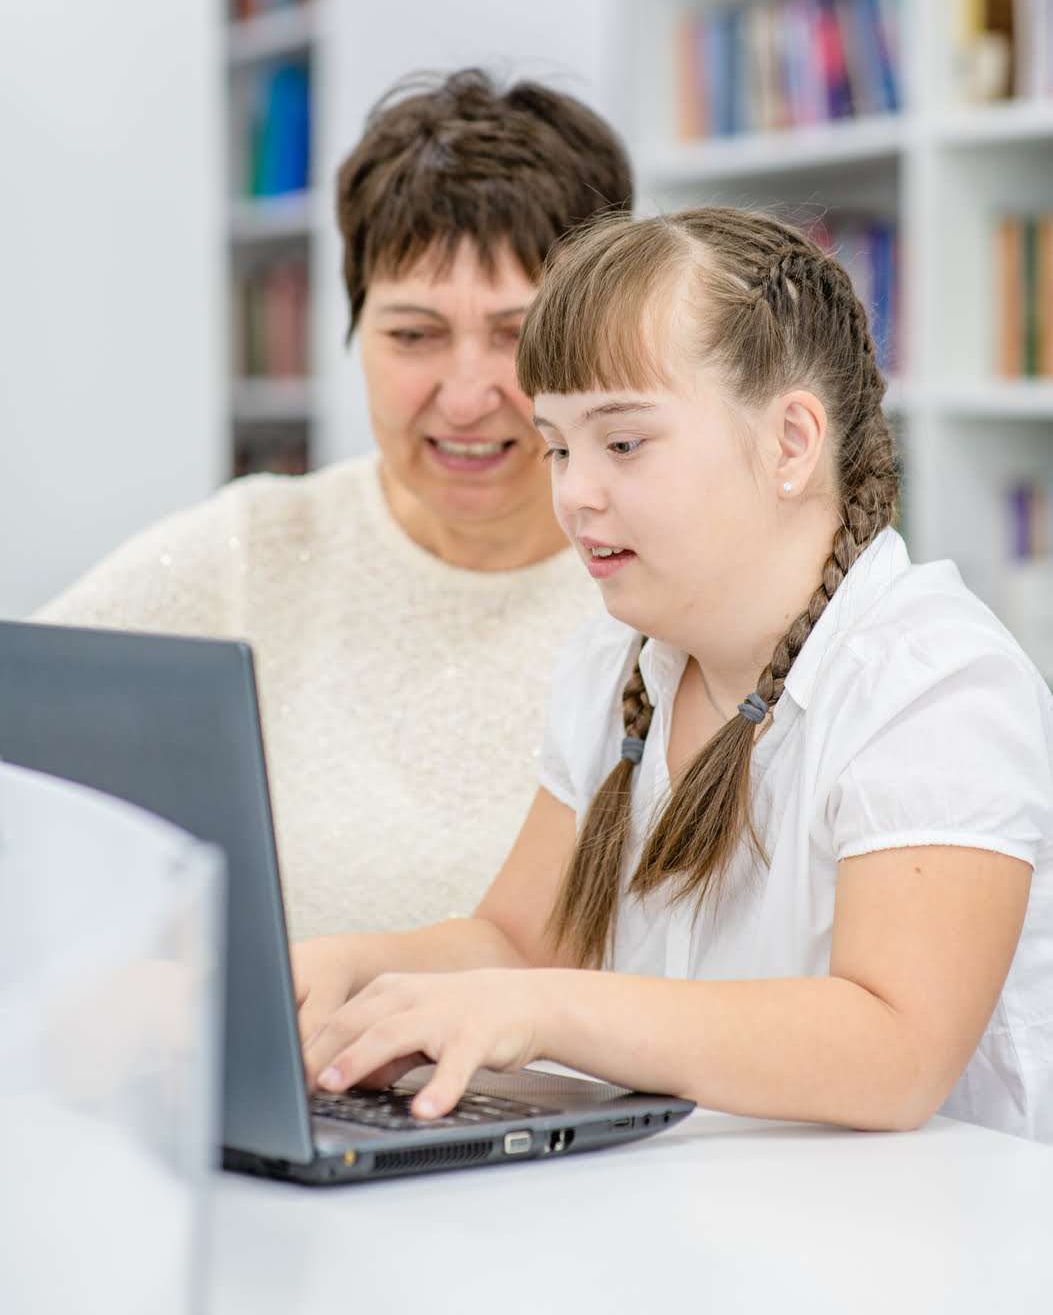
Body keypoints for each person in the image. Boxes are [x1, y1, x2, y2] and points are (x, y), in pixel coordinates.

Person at [293, 207, 1053, 1142]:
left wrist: (545, 1011)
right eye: (558, 447)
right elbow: (520, 942)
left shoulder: (934, 684)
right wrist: (352, 969)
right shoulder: (612, 669)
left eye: (622, 443)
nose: (573, 493)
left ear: (788, 443)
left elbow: (893, 1051)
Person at [35, 70, 633, 939]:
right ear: (354, 333)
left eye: (519, 336)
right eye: (413, 335)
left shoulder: (669, 585)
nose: (466, 396)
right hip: (302, 1074)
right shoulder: (254, 550)